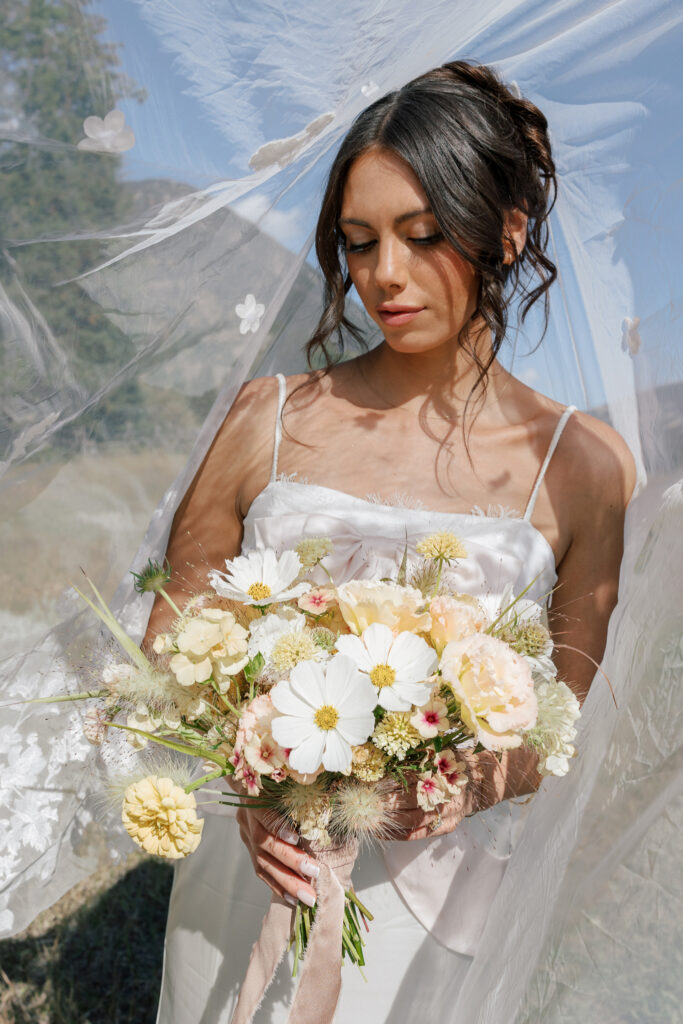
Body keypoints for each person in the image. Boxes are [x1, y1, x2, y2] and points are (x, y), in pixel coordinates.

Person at [148, 61, 635, 1022]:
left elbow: (562, 713)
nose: (384, 276)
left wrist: (464, 783)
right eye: (358, 242)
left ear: (507, 231)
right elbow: (173, 629)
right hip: (256, 865)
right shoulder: (267, 417)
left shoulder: (580, 463)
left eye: (421, 236)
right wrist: (247, 782)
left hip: (436, 899)